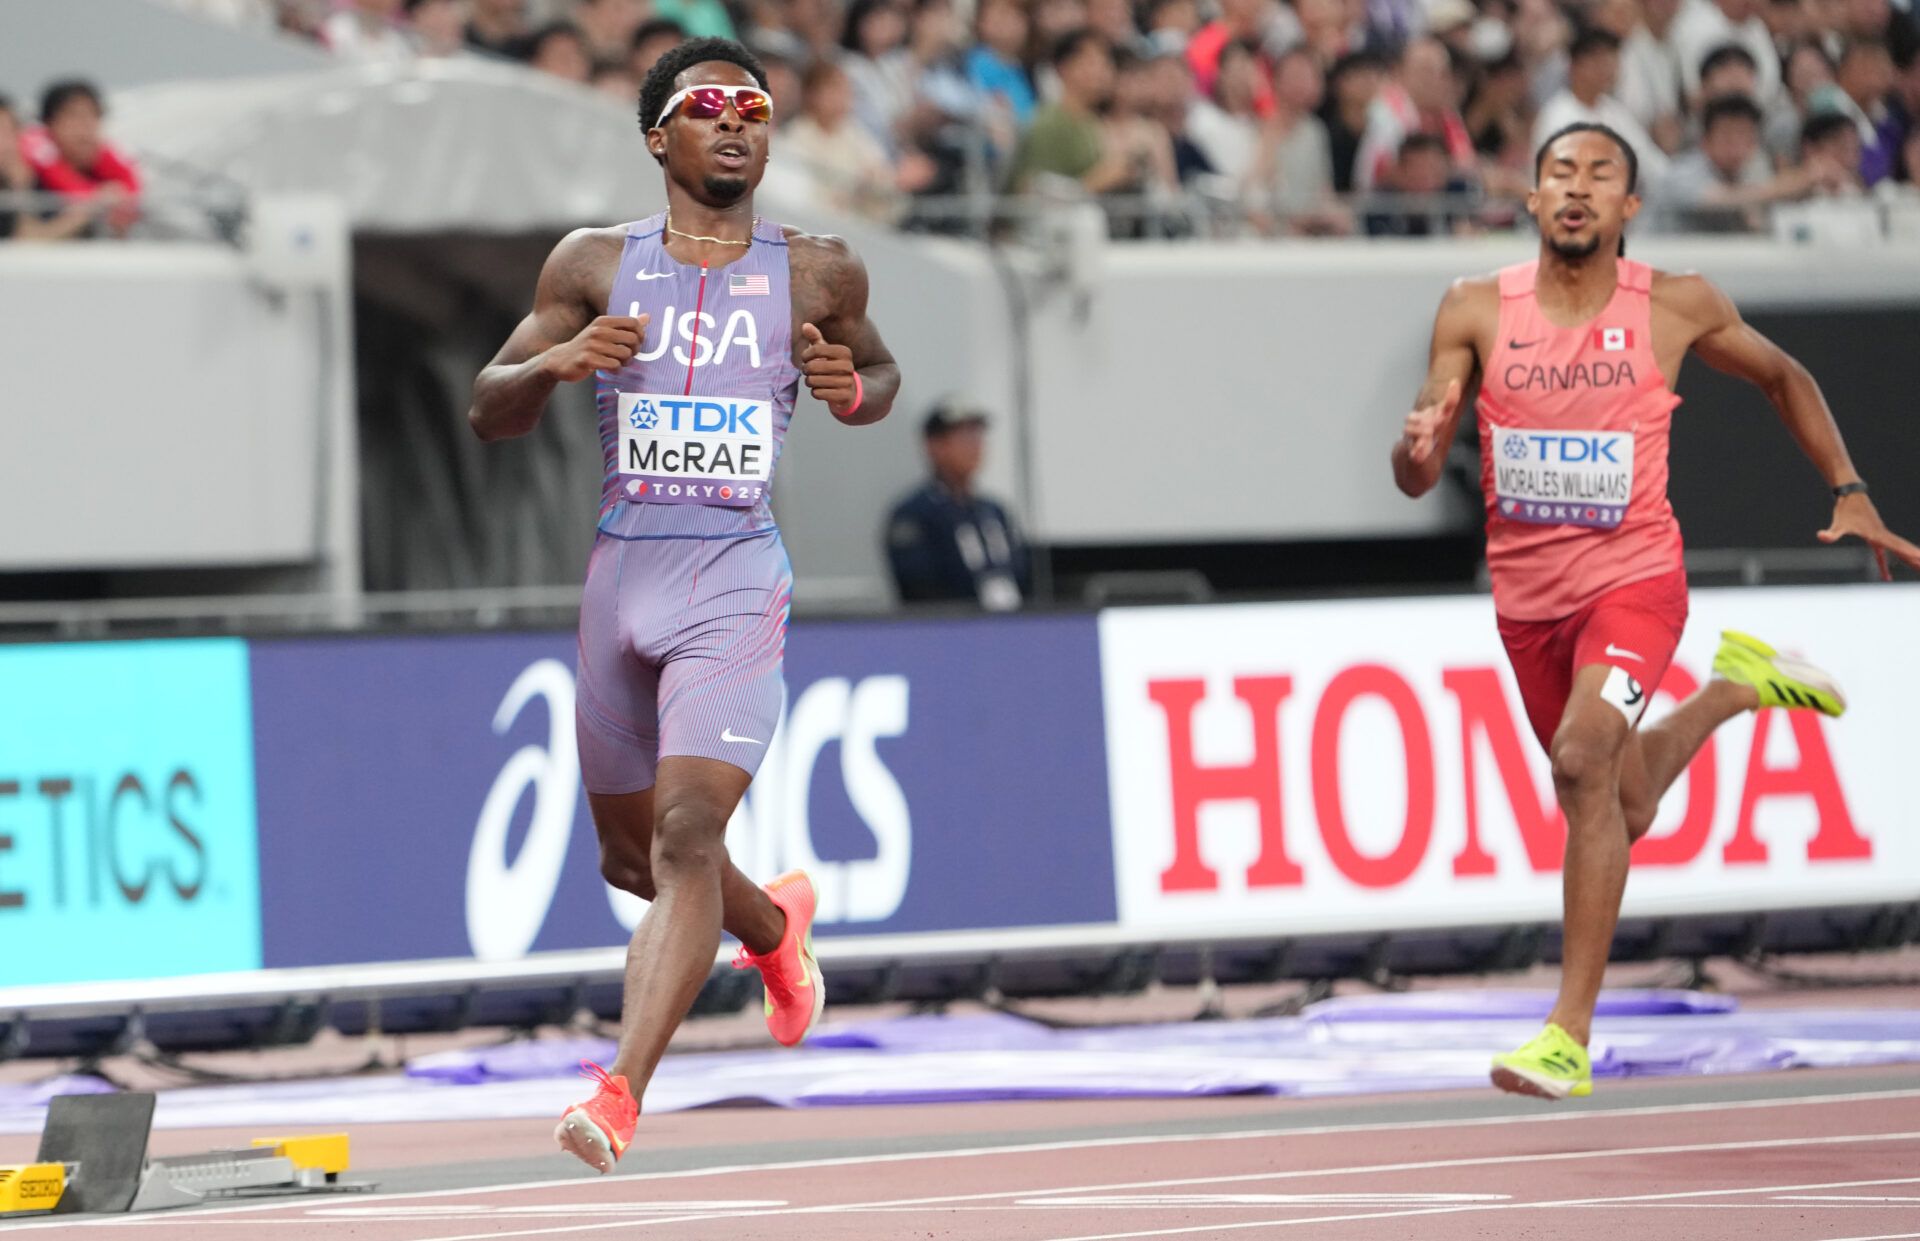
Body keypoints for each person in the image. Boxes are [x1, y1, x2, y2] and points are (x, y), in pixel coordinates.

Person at [1391, 121, 1920, 1102]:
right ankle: (1735, 686)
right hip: (1529, 601)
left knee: (1582, 759)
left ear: (1630, 206)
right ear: (1534, 199)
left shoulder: (1675, 304)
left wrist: (1848, 485)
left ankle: (1567, 1031)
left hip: (1636, 581)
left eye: (1600, 174)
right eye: (1560, 173)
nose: (1578, 187)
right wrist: (1418, 447)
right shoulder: (1472, 307)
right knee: (1621, 800)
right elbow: (1419, 465)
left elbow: (1783, 376)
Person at [467, 35, 900, 1171]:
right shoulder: (593, 266)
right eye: (708, 105)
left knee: (686, 832)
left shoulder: (819, 269)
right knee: (630, 861)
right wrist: (549, 371)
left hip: (734, 575)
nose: (736, 122)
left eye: (753, 107)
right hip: (622, 575)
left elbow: (879, 372)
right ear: (659, 134)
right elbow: (486, 405)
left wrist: (852, 389)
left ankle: (617, 1093)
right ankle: (774, 927)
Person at [884, 401, 1030, 609]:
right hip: (950, 627)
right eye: (963, 437)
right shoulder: (914, 514)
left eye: (978, 436)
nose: (975, 445)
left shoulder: (995, 511)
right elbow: (918, 586)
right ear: (934, 445)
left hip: (1012, 624)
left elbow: (1024, 573)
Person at [21, 81, 140, 238]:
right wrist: (93, 204)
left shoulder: (107, 175)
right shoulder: (26, 176)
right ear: (49, 123)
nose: (85, 126)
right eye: (73, 116)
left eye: (93, 116)